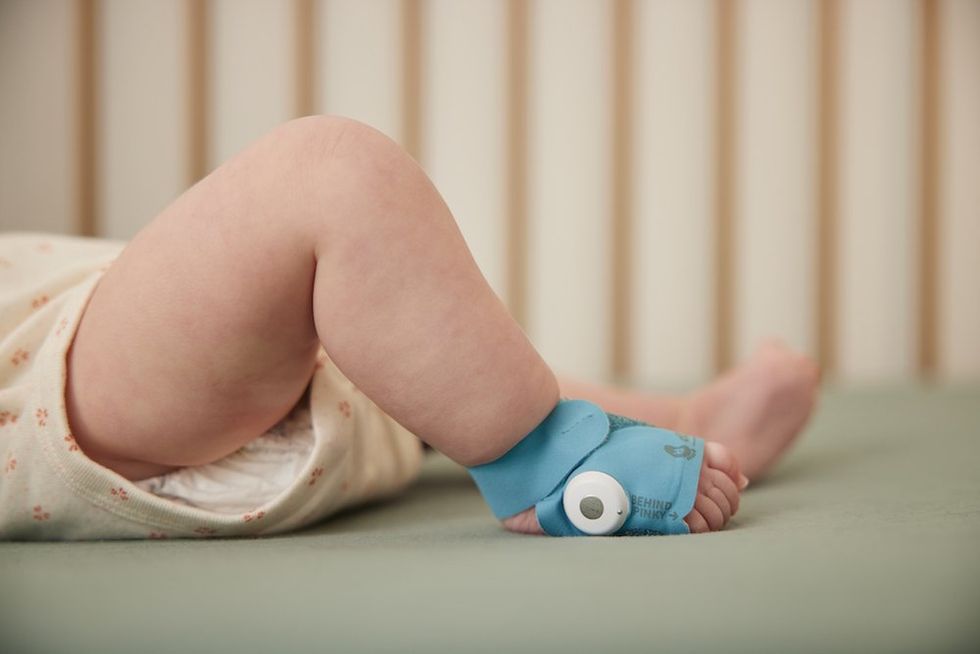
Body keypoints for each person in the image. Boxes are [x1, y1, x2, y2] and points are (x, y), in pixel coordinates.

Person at [0, 117, 819, 540]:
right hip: (56, 380)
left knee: (421, 358)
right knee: (327, 174)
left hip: (268, 373)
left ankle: (674, 420)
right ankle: (543, 458)